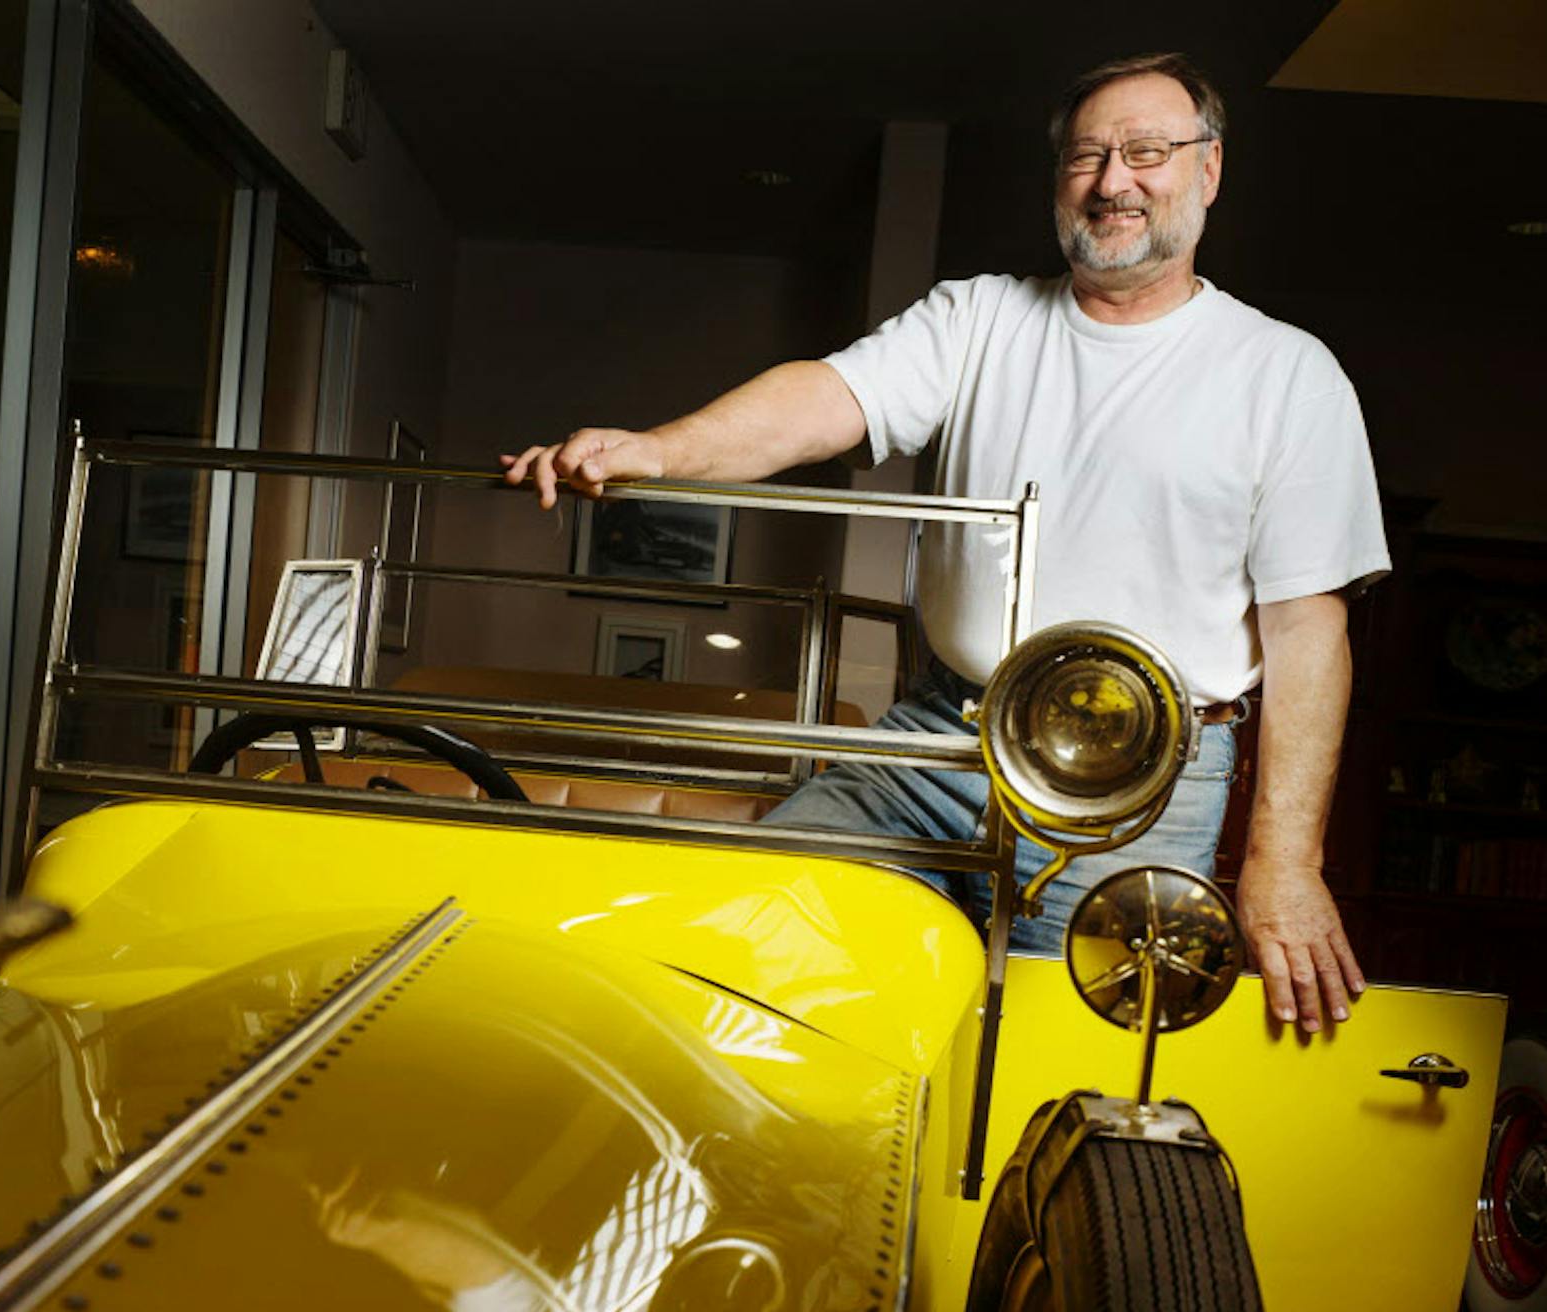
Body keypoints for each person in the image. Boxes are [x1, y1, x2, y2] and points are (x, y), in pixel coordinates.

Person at [500, 53, 1390, 1036]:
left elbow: (1309, 633)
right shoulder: (979, 316)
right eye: (1088, 157)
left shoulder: (1288, 375)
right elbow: (827, 399)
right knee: (748, 942)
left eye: (1146, 152)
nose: (1112, 181)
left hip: (1142, 772)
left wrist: (1285, 861)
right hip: (939, 733)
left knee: (1063, 1060)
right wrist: (662, 450)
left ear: (1208, 171)